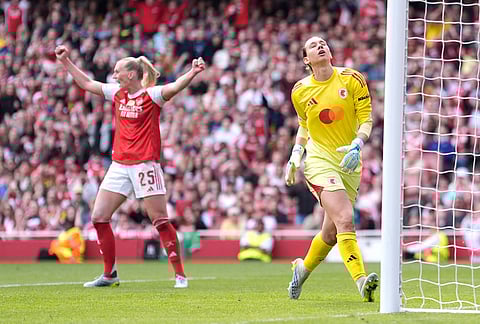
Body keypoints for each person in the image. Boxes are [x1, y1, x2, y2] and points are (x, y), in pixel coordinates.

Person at [55, 45, 205, 288]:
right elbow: (87, 84)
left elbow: (175, 86)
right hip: (119, 166)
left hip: (145, 166)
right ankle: (110, 274)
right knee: (99, 217)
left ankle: (179, 275)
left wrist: (193, 72)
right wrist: (66, 62)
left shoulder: (152, 96)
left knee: (160, 221)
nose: (114, 76)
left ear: (131, 75)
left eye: (117, 72)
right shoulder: (116, 93)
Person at [284, 36, 379, 302]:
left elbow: (366, 119)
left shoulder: (352, 79)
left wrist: (358, 144)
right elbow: (304, 123)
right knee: (346, 219)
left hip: (349, 161)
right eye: (314, 46)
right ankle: (362, 282)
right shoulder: (300, 90)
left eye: (323, 43)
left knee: (331, 232)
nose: (321, 46)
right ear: (307, 60)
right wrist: (296, 154)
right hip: (319, 160)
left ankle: (301, 270)